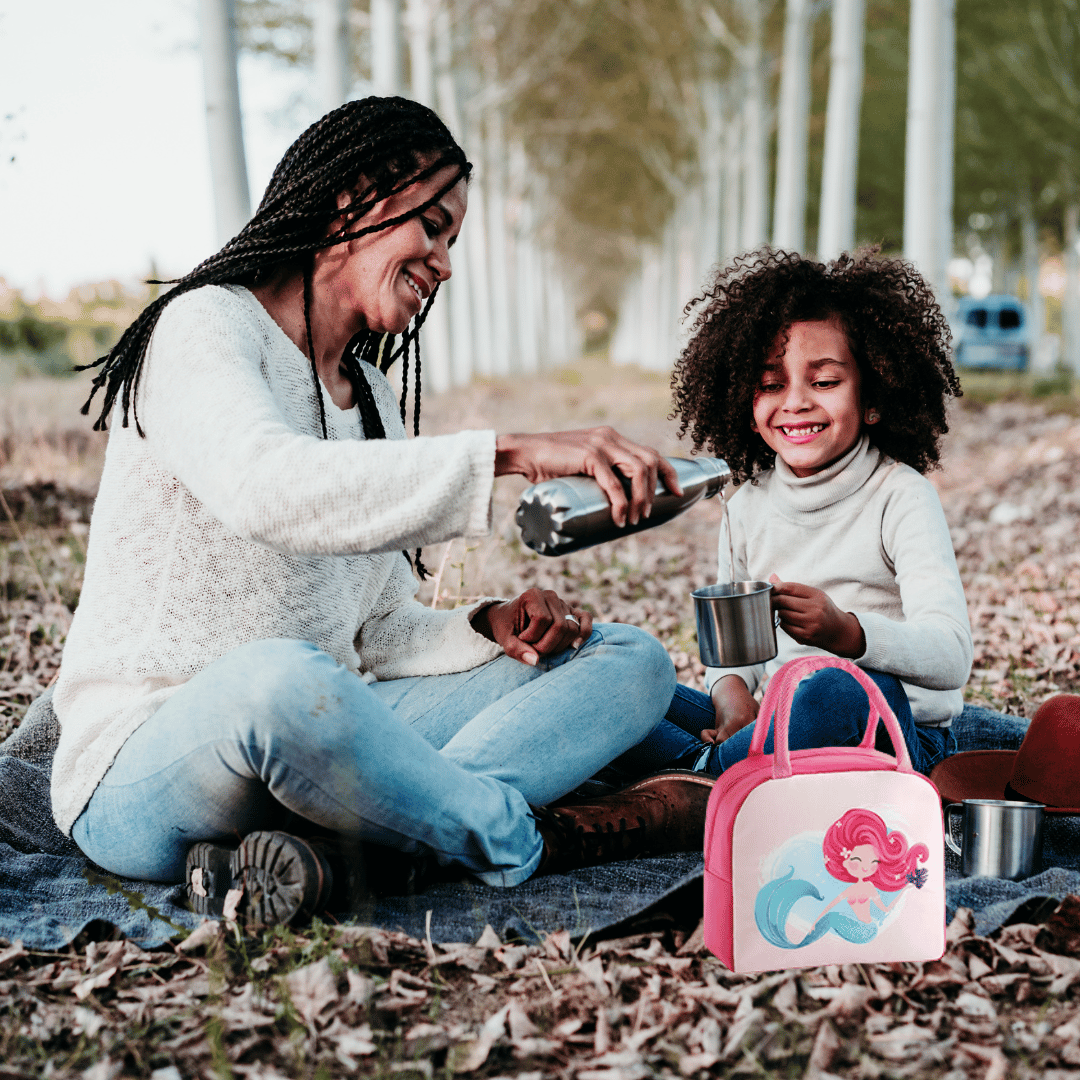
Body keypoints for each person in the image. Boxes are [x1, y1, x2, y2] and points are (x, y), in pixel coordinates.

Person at [51, 97, 713, 927]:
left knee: (631, 662)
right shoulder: (206, 324)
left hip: (328, 731)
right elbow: (266, 487)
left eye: (451, 241)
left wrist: (487, 624)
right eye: (430, 227)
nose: (441, 261)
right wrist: (509, 451)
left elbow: (375, 632)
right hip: (152, 759)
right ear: (353, 196)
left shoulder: (368, 398)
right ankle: (526, 837)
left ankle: (355, 851)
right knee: (280, 679)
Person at [610, 248, 973, 781]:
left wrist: (846, 633)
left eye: (823, 382)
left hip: (890, 736)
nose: (796, 402)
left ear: (872, 395)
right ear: (743, 399)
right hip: (776, 728)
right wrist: (733, 698)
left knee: (835, 687)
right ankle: (715, 771)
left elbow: (951, 654)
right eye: (772, 383)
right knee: (619, 672)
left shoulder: (900, 495)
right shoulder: (748, 506)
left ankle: (700, 782)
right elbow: (732, 651)